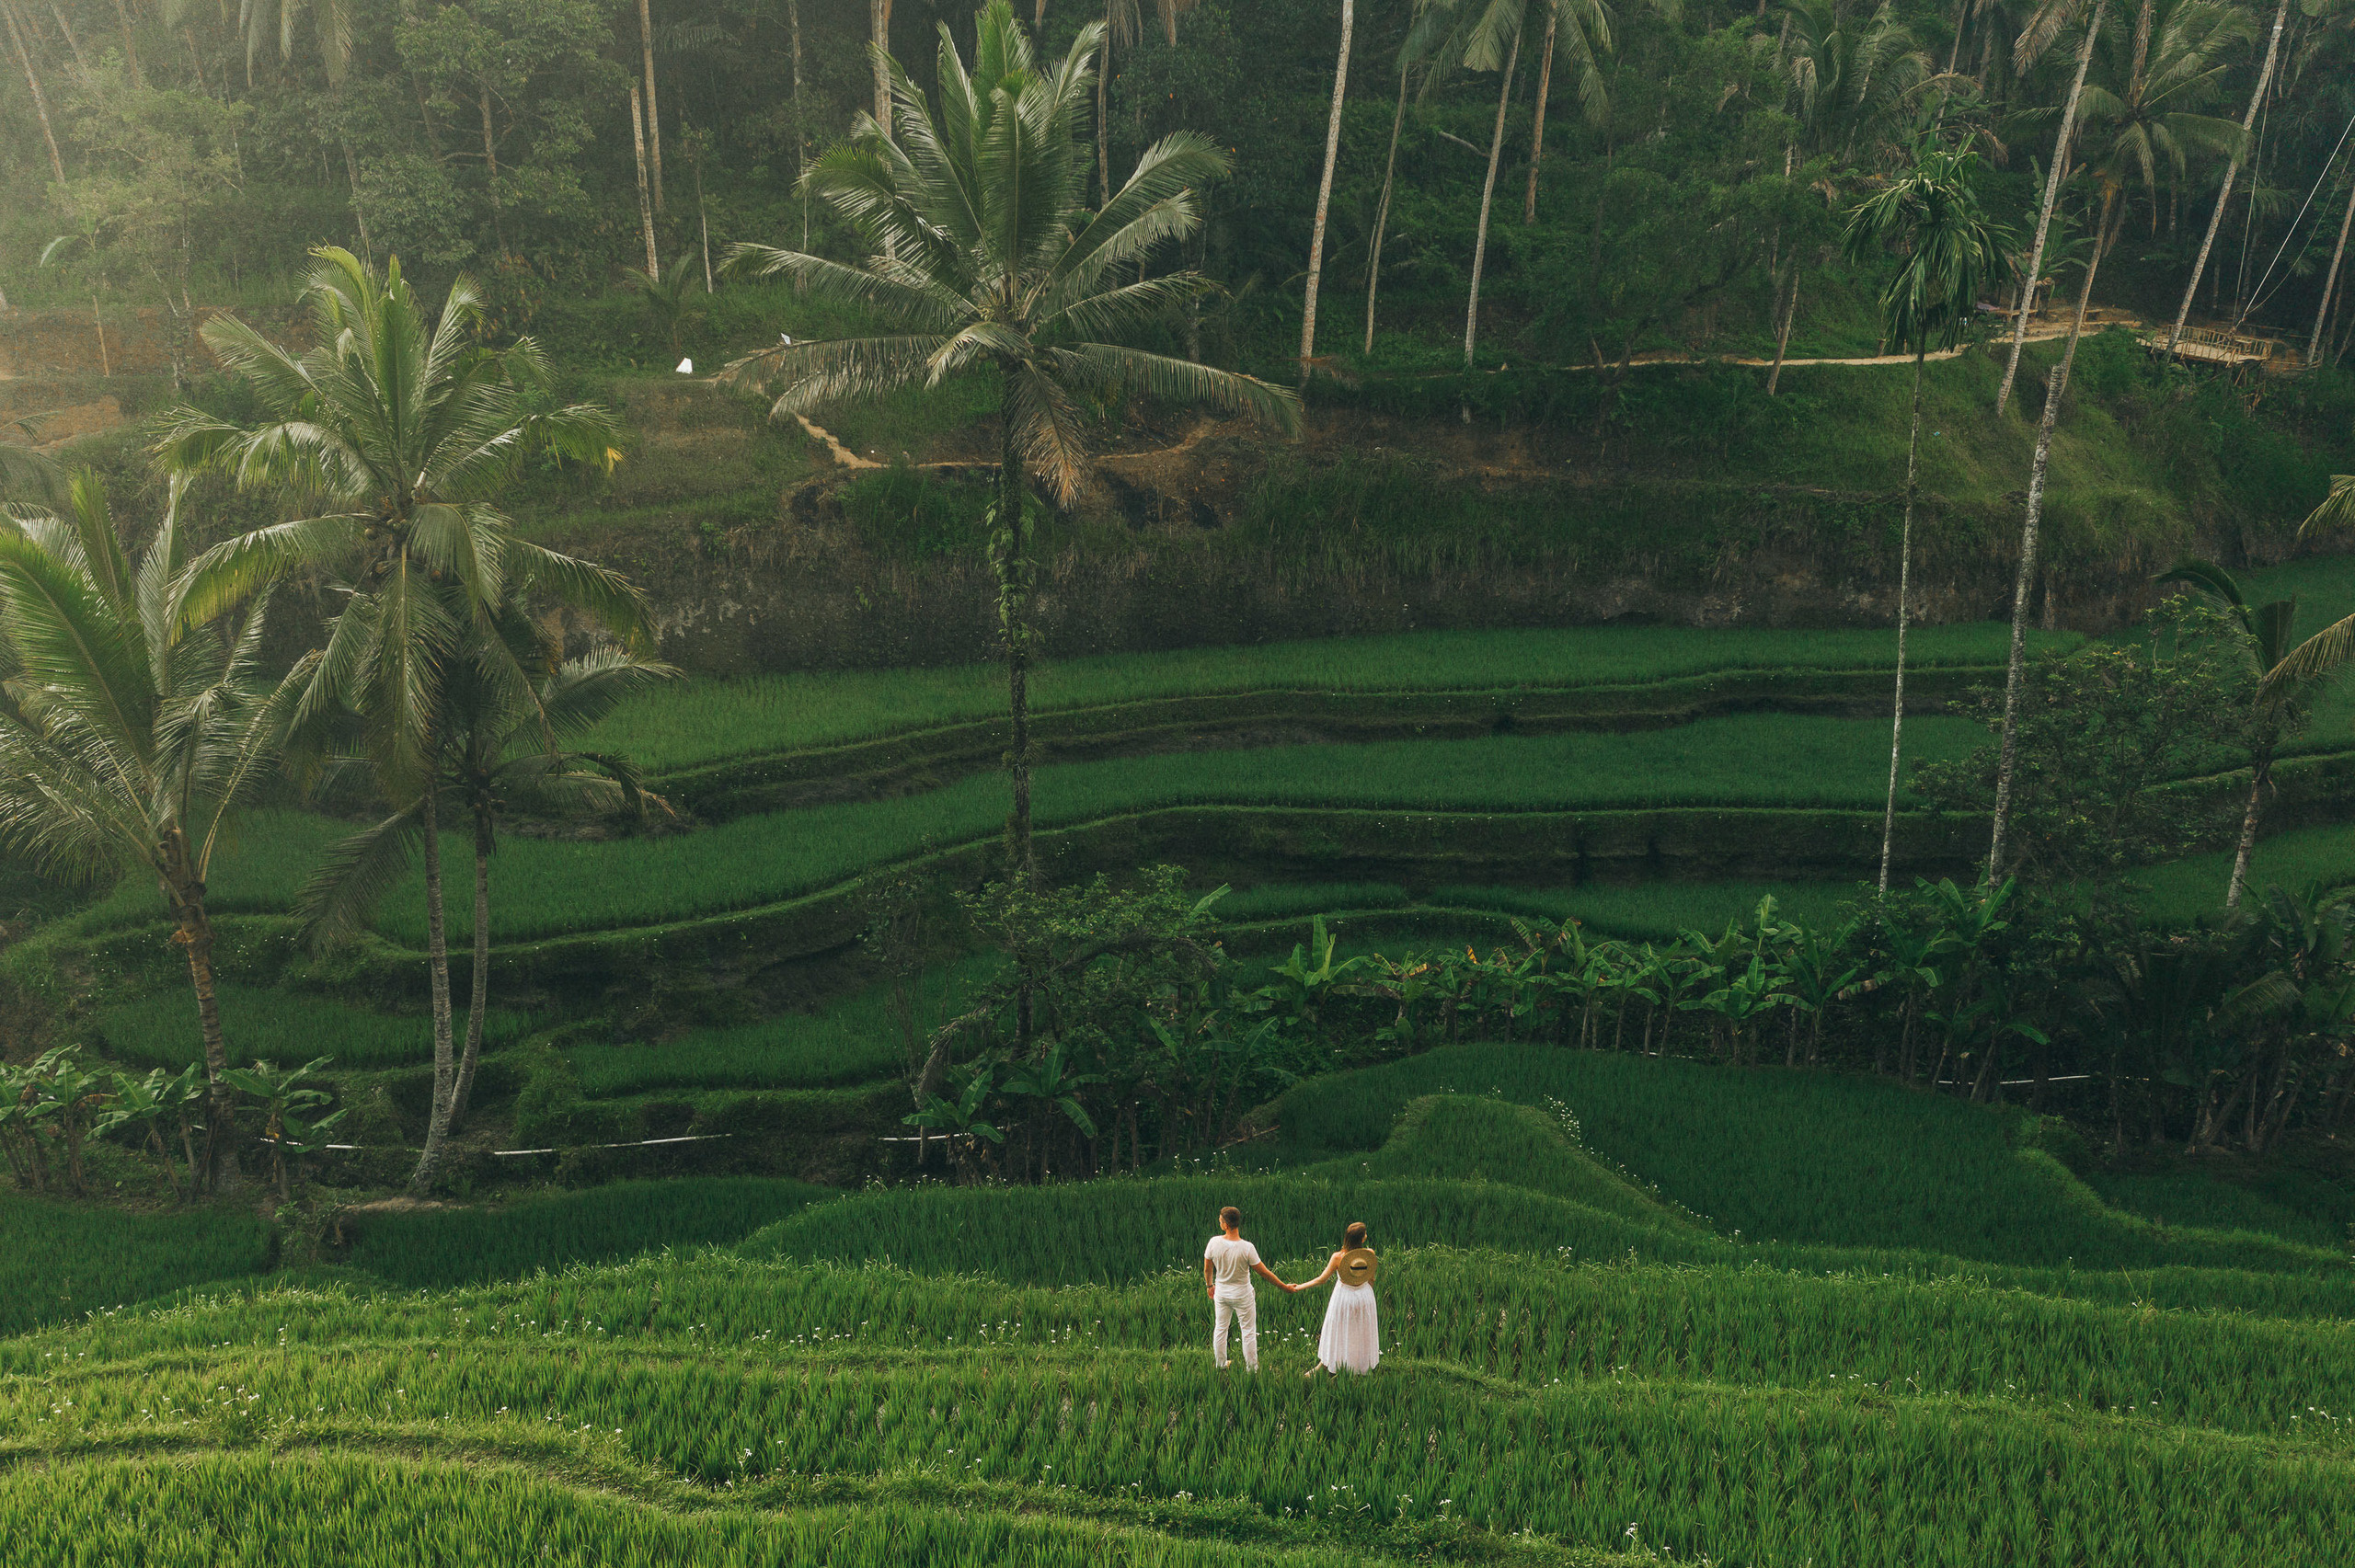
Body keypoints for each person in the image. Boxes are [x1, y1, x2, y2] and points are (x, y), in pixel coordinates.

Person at [1202, 1205, 1295, 1372]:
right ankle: (1252, 1369)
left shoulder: (1213, 1243)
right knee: (1248, 1332)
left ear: (1225, 1225)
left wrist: (1209, 1285)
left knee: (1221, 1329)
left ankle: (1220, 1364)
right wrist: (1284, 1286)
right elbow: (1264, 1273)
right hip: (1242, 1295)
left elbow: (1208, 1269)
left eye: (1220, 1220)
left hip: (1221, 1293)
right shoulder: (1247, 1247)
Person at [1296, 1221, 1380, 1377]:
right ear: (1362, 1239)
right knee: (1361, 1329)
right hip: (1365, 1295)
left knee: (1336, 1329)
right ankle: (1361, 1367)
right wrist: (1366, 1295)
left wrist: (1299, 1286)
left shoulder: (1337, 1257)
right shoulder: (1370, 1254)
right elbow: (1371, 1278)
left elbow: (1321, 1279)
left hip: (1344, 1296)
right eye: (1365, 1234)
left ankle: (1325, 1364)